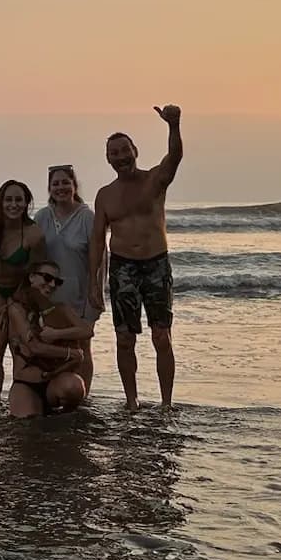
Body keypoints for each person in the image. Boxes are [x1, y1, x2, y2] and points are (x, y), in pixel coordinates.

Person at [88, 106, 185, 408]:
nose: (120, 156)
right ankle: (132, 402)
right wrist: (94, 282)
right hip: (122, 268)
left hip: (156, 263)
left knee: (161, 337)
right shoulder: (105, 195)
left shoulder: (154, 180)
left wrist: (174, 125)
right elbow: (96, 240)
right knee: (124, 338)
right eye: (114, 153)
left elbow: (175, 158)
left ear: (135, 151)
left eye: (124, 150)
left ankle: (166, 403)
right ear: (108, 159)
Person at [0, 179, 47, 406]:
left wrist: (16, 302)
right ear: (0, 201)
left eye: (18, 200)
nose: (13, 205)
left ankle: (18, 398)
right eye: (8, 200)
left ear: (26, 203)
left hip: (18, 290)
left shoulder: (34, 234)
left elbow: (36, 275)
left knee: (18, 345)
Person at [35, 164, 96, 388]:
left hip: (79, 293)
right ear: (49, 188)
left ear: (74, 185)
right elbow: (34, 256)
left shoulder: (87, 217)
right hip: (49, 295)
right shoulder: (42, 217)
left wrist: (96, 294)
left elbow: (99, 261)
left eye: (65, 183)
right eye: (55, 184)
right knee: (52, 344)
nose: (60, 188)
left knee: (82, 346)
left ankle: (82, 394)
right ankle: (54, 391)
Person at [7, 260, 91, 418]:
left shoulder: (59, 308)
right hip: (28, 382)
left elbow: (87, 331)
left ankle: (64, 417)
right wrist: (70, 353)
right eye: (47, 278)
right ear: (31, 277)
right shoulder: (16, 309)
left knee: (73, 387)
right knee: (29, 426)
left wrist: (57, 334)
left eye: (57, 281)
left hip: (57, 380)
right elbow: (35, 348)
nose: (52, 284)